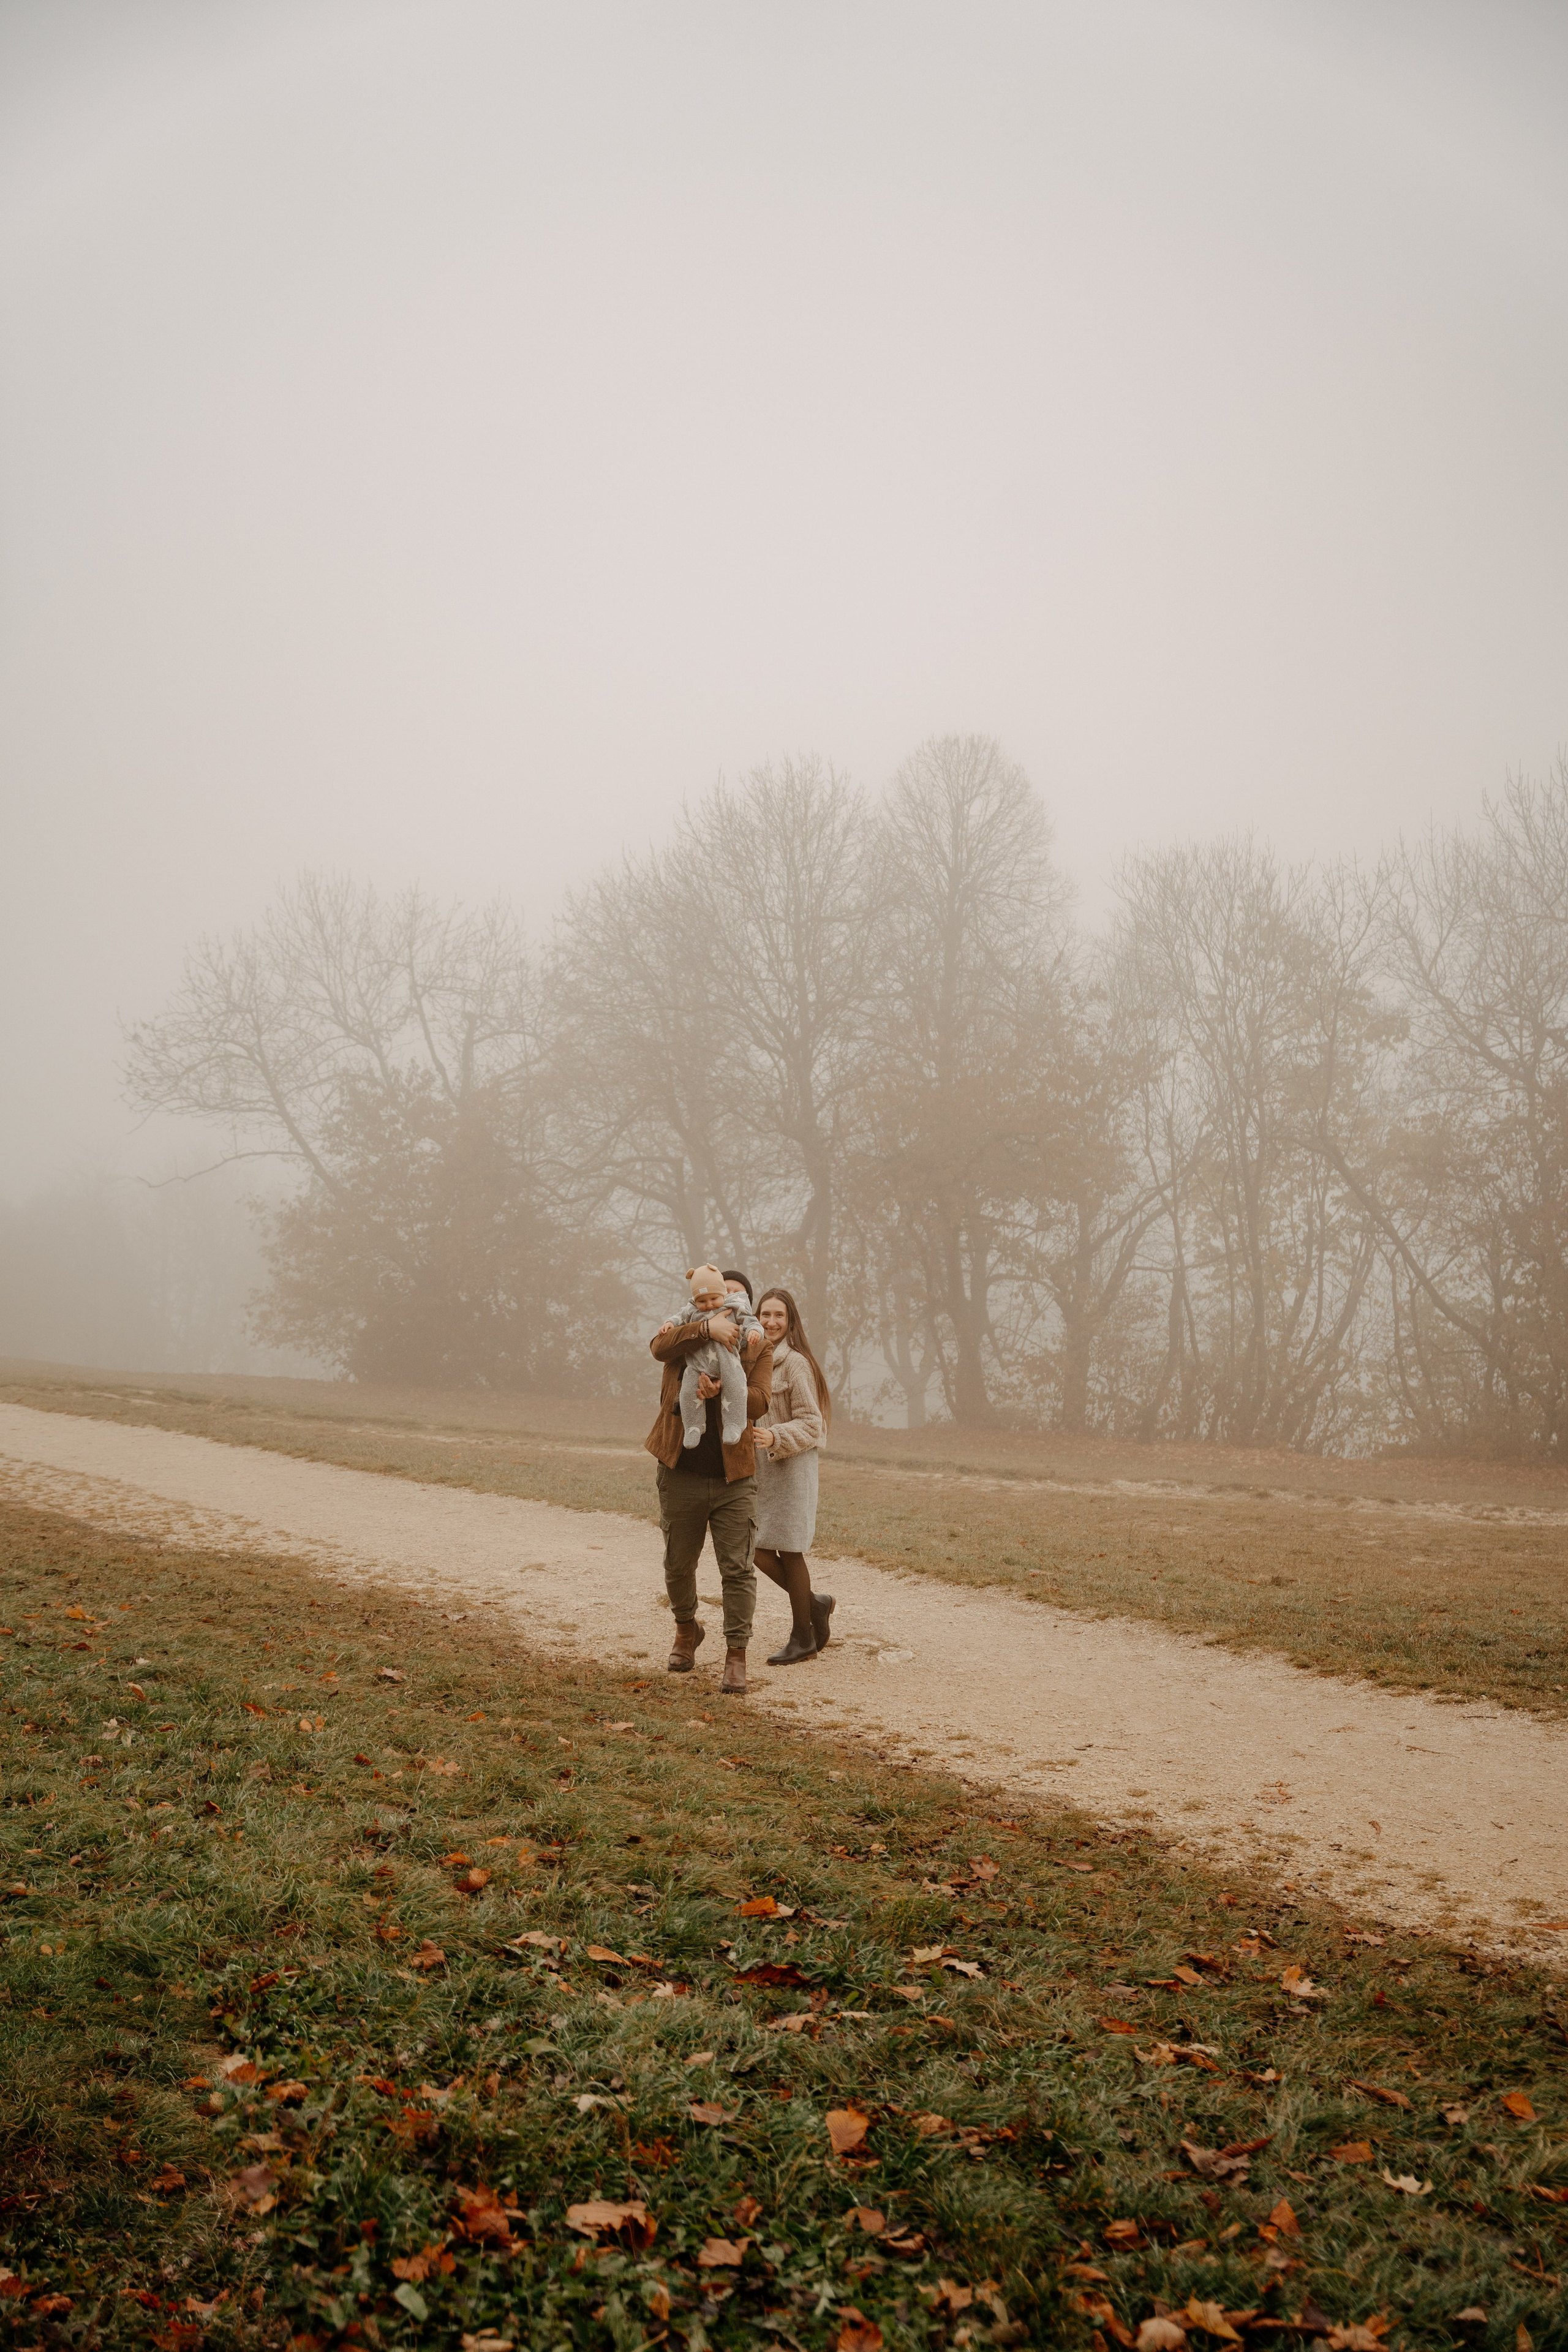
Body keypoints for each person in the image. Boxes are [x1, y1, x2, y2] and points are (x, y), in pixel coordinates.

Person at [644, 1267, 772, 1697]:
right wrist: (704, 1329)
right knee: (678, 1562)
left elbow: (761, 1400)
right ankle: (686, 1631)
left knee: (737, 1568)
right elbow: (658, 1347)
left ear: (743, 1305)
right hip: (681, 1470)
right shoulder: (688, 1331)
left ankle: (736, 1656)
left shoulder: (756, 1343)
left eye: (733, 1298)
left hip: (734, 1477)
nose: (722, 1306)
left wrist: (721, 1391)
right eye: (717, 1298)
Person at [751, 1285, 834, 1665]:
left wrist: (775, 1435)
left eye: (778, 1315)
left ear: (790, 1321)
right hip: (761, 1469)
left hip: (792, 1466)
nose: (771, 1322)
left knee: (789, 1548)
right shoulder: (751, 1357)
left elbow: (812, 1424)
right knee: (755, 1546)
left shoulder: (796, 1363)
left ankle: (803, 1637)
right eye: (765, 1314)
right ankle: (814, 1605)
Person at [662, 1264, 765, 1447]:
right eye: (703, 1301)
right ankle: (693, 1426)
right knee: (687, 1392)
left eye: (714, 1298)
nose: (709, 1305)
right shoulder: (693, 1311)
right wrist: (703, 1328)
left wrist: (755, 1331)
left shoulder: (735, 1309)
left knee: (735, 1384)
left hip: (727, 1363)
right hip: (697, 1366)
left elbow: (751, 1321)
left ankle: (734, 1423)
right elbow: (672, 1327)